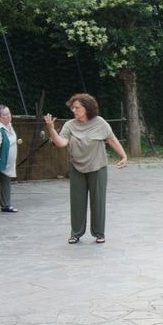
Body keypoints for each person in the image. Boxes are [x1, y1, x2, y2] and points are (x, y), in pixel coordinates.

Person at [44, 93, 128, 244]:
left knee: (98, 201)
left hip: (98, 167)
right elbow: (61, 143)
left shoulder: (100, 123)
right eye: (72, 108)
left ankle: (99, 233)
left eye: (77, 108)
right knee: (77, 201)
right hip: (77, 167)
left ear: (87, 108)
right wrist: (51, 129)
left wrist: (123, 156)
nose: (74, 111)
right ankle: (76, 233)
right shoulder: (70, 125)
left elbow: (111, 139)